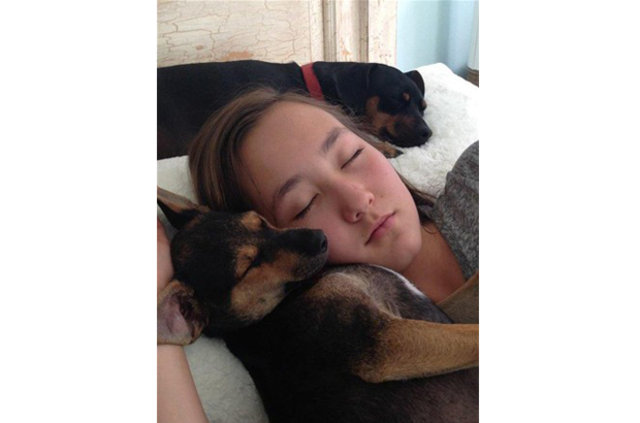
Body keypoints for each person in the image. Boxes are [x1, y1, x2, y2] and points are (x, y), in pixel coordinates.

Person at [157, 87, 478, 422]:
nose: (358, 199)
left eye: (351, 155)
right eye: (304, 205)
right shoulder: (314, 320)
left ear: (372, 141)